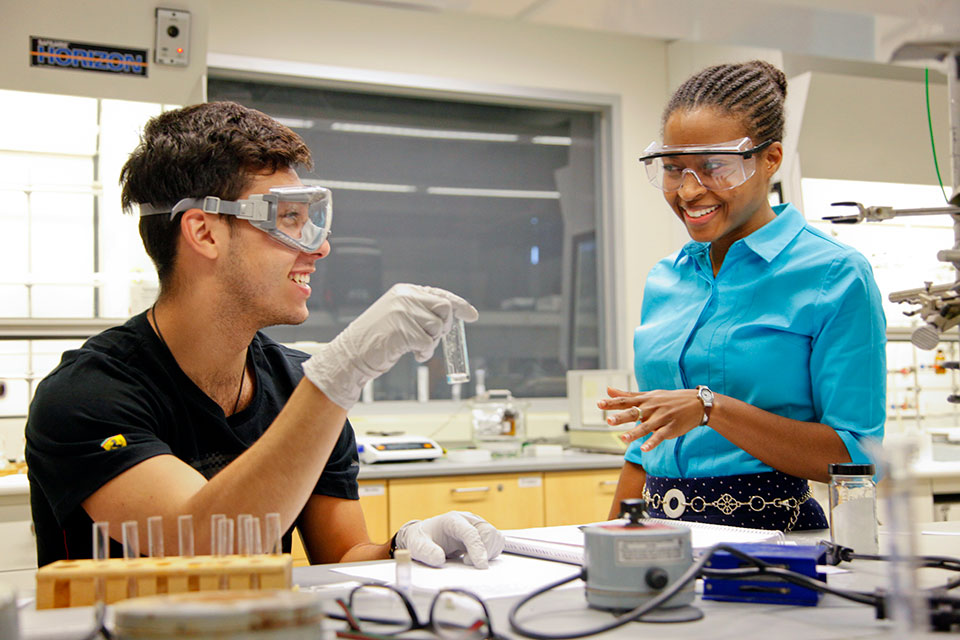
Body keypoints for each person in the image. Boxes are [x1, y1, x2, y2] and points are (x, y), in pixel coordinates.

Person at [25, 101, 504, 568]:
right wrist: (342, 373)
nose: (320, 248)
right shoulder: (87, 395)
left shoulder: (298, 384)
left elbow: (341, 556)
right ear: (205, 232)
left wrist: (405, 546)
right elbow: (198, 541)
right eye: (288, 219)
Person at [602, 60, 885, 531]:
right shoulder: (665, 279)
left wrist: (711, 407)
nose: (689, 191)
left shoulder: (835, 274)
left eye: (715, 167)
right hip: (655, 529)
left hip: (772, 540)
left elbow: (854, 455)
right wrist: (602, 547)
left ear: (770, 159)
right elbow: (643, 449)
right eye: (674, 169)